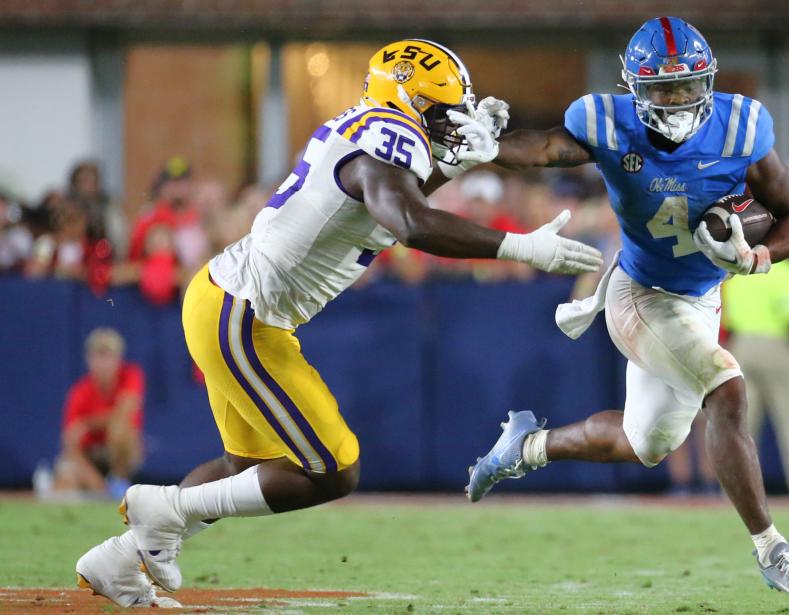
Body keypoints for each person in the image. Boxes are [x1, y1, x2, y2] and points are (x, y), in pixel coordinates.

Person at [74, 39, 601, 609]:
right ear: (406, 100)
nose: (450, 121)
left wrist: (462, 158)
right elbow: (409, 222)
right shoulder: (384, 139)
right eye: (440, 110)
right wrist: (519, 247)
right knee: (331, 468)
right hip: (244, 313)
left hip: (231, 302)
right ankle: (166, 511)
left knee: (248, 470)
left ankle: (121, 558)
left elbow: (395, 198)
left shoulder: (378, 132)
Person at [466, 17, 789, 601]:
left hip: (701, 297)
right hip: (640, 295)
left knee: (647, 444)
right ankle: (773, 550)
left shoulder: (740, 126)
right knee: (727, 389)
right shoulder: (607, 121)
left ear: (707, 83)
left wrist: (761, 255)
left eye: (686, 87)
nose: (676, 99)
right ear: (635, 89)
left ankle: (526, 447)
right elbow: (544, 147)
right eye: (661, 89)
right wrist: (484, 148)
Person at [723, 259, 789, 502]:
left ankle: (735, 497)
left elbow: (727, 318)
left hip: (741, 347)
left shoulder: (740, 272)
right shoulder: (785, 272)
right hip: (777, 345)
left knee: (742, 429)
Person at [50, 328, 144, 500]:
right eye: (98, 356)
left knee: (120, 428)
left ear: (118, 358)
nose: (103, 363)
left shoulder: (131, 375)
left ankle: (119, 480)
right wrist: (99, 486)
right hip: (90, 457)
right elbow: (70, 443)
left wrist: (87, 424)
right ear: (89, 360)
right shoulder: (80, 392)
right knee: (65, 479)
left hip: (118, 455)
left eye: (108, 355)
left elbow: (124, 412)